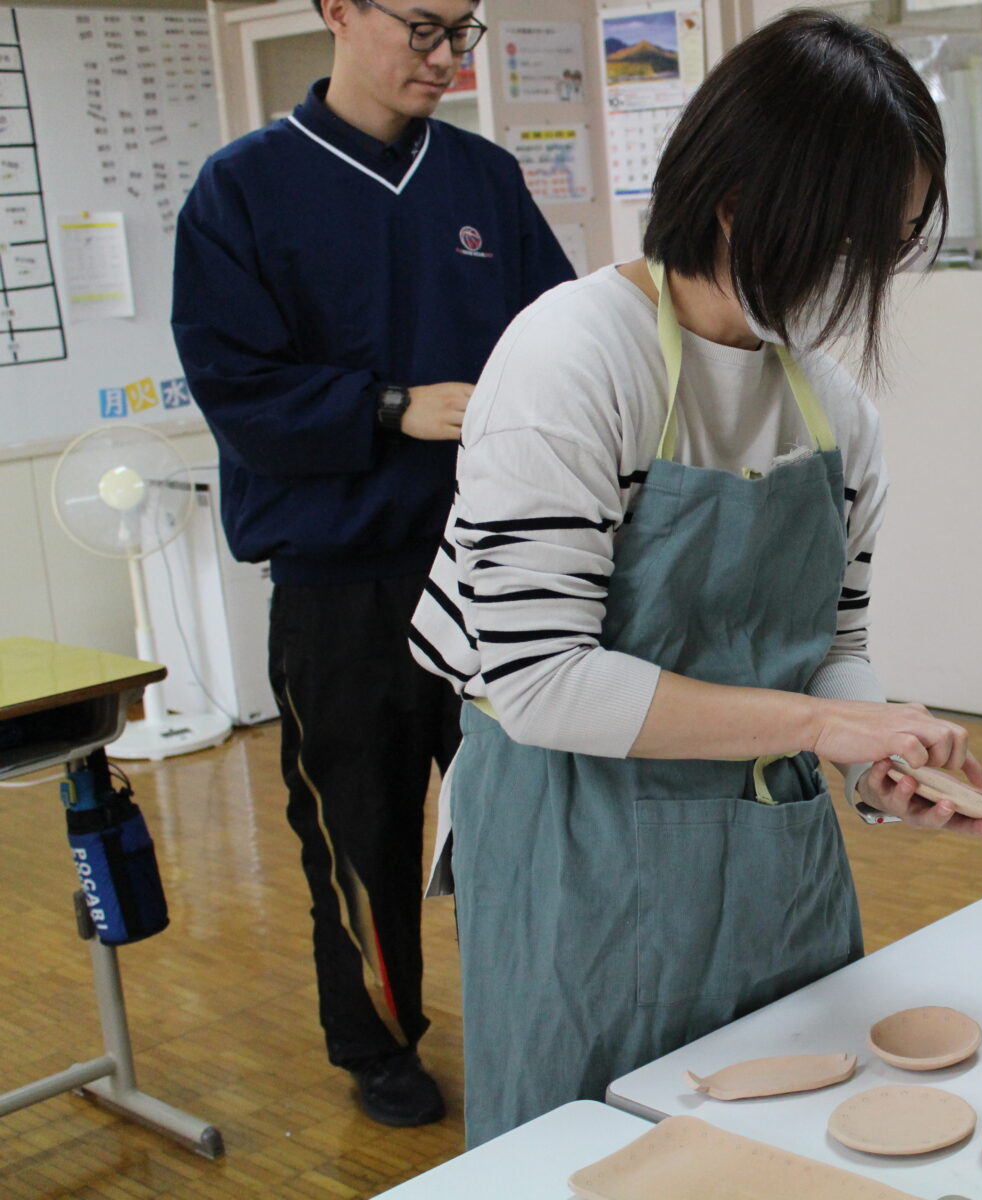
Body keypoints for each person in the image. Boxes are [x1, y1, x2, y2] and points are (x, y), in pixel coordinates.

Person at [409, 9, 982, 1147]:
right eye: (846, 239)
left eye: (884, 244)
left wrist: (878, 753)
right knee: (592, 1148)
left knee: (791, 1134)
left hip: (769, 847)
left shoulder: (835, 412)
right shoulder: (571, 360)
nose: (861, 278)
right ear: (738, 198)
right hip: (575, 843)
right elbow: (540, 681)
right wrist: (818, 727)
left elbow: (832, 647)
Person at [171, 0, 574, 1126]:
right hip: (339, 584)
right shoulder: (242, 191)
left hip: (495, 566)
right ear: (338, 11)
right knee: (362, 834)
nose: (447, 59)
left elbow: (557, 338)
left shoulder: (484, 181)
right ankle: (379, 1042)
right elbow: (238, 395)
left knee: (522, 819)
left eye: (466, 33)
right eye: (425, 29)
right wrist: (393, 408)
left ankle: (538, 1010)